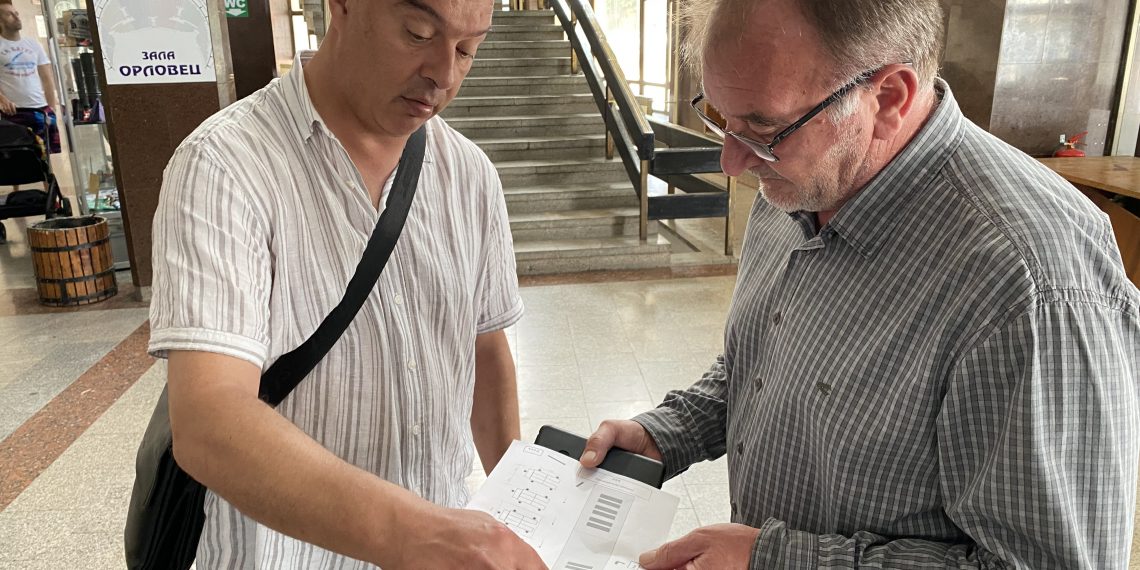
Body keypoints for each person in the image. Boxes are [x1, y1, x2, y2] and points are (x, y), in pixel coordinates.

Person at [581, 0, 1140, 568]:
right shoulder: (796, 182)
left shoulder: (1032, 286)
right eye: (720, 118)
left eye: (763, 128)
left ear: (889, 97)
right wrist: (669, 432)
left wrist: (774, 560)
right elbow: (767, 360)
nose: (731, 162)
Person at [148, 0, 545, 567]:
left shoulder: (470, 173)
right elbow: (210, 417)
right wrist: (416, 536)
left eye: (467, 50)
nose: (444, 74)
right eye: (418, 33)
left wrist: (519, 515)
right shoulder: (224, 165)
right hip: (285, 554)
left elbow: (483, 347)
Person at [0, 0, 60, 154]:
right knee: (18, 157)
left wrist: (51, 108)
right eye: (10, 15)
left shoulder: (33, 44)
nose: (16, 17)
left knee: (45, 157)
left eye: (16, 13)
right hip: (14, 112)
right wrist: (3, 100)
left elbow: (47, 78)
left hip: (41, 110)